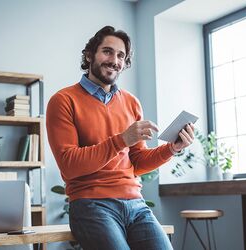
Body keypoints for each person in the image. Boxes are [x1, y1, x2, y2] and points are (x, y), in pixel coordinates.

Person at [46, 26, 195, 250]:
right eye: (107, 51)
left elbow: (137, 163)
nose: (114, 60)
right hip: (91, 204)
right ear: (89, 55)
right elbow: (69, 165)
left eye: (121, 55)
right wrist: (121, 140)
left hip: (136, 204)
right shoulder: (63, 100)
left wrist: (172, 149)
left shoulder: (131, 102)